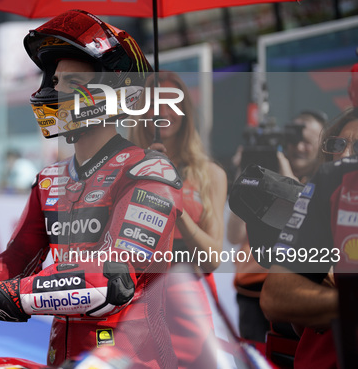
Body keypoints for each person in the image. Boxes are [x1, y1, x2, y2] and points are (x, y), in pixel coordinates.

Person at [0, 10, 184, 367]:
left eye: (70, 81)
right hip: (63, 356)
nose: (53, 90)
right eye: (55, 79)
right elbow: (13, 264)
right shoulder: (51, 180)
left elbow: (111, 282)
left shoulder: (150, 174)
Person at [127, 71, 228, 367]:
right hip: (137, 297)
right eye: (154, 104)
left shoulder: (211, 175)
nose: (163, 112)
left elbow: (212, 259)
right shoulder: (124, 169)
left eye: (172, 102)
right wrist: (143, 173)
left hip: (189, 300)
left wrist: (178, 208)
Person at [260, 107, 358, 369]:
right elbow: (277, 300)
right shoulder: (323, 192)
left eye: (357, 148)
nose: (345, 155)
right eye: (338, 144)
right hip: (322, 357)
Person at [227, 110, 327, 343]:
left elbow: (305, 222)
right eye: (294, 140)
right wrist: (243, 180)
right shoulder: (264, 177)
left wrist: (285, 180)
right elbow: (234, 235)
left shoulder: (325, 183)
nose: (299, 148)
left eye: (307, 142)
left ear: (323, 146)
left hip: (297, 291)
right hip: (252, 289)